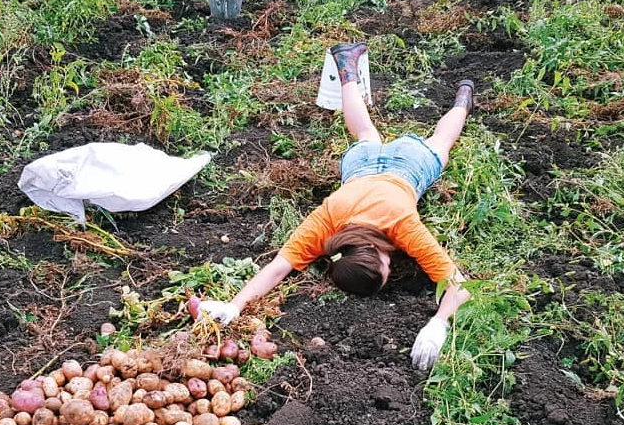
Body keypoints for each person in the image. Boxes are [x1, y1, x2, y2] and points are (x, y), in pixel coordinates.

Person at [198, 42, 474, 371]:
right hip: (361, 165)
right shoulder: (327, 221)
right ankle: (346, 68)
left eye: (387, 266)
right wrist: (234, 305)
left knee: (441, 143)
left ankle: (464, 98)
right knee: (364, 132)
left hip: (407, 168)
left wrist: (439, 324)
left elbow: (460, 285)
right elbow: (278, 267)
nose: (392, 264)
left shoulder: (402, 224)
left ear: (380, 252)